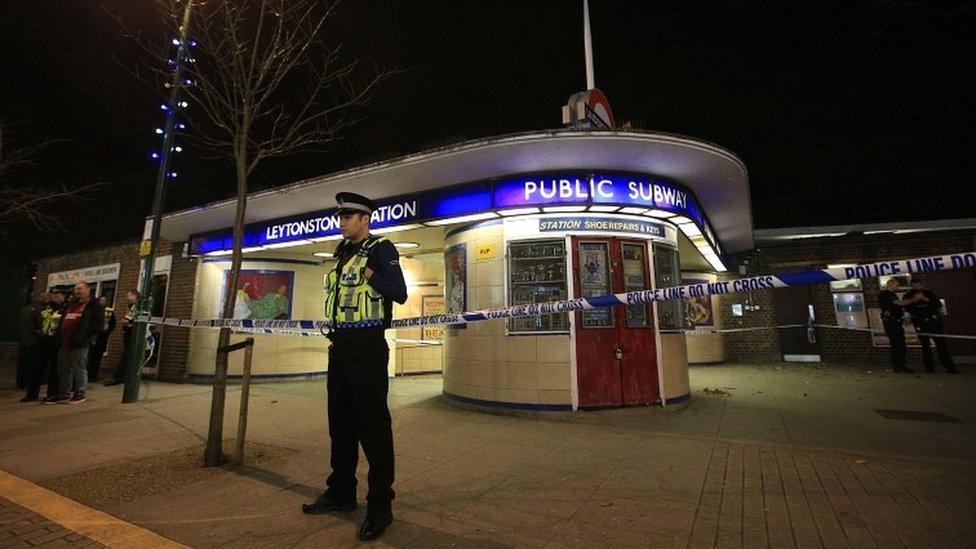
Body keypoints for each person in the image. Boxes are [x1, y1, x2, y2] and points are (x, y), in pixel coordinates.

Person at [302, 192, 407, 541]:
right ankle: (341, 492)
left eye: (348, 217)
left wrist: (371, 273)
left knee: (373, 428)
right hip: (340, 348)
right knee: (341, 425)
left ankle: (380, 506)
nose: (342, 222)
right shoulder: (341, 252)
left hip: (367, 348)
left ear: (365, 219)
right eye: (341, 216)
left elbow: (399, 292)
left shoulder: (381, 249)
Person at [43, 282, 103, 404]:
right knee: (64, 368)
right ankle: (64, 393)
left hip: (79, 343)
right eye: (75, 289)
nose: (77, 291)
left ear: (87, 290)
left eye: (80, 288)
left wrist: (84, 336)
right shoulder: (71, 304)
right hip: (65, 342)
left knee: (79, 368)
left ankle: (80, 393)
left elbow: (97, 325)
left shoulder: (94, 305)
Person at [904, 280, 958, 373]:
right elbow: (907, 307)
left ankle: (950, 368)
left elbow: (937, 304)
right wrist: (914, 300)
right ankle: (929, 368)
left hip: (934, 323)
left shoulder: (929, 293)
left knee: (941, 345)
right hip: (920, 323)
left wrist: (925, 298)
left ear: (921, 285)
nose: (916, 286)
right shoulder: (909, 295)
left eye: (918, 284)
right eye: (914, 285)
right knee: (925, 347)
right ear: (911, 286)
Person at [878, 279, 925, 373]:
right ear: (890, 284)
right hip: (891, 322)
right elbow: (900, 303)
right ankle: (899, 366)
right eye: (897, 285)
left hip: (895, 322)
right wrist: (915, 298)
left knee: (900, 344)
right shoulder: (886, 294)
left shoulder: (892, 295)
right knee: (897, 344)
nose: (898, 287)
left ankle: (900, 365)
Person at [21, 294, 60, 402]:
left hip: (56, 343)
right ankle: (32, 394)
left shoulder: (63, 310)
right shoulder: (44, 310)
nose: (55, 298)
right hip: (42, 342)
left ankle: (51, 394)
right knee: (36, 368)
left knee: (54, 370)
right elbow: (37, 322)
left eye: (58, 296)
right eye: (54, 296)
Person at [104, 290, 139, 386]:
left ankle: (119, 377)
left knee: (126, 356)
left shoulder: (136, 306)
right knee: (126, 356)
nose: (127, 298)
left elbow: (127, 320)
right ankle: (123, 376)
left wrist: (125, 322)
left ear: (134, 295)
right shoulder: (131, 306)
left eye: (128, 295)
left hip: (132, 334)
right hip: (129, 334)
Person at [87, 296, 116, 382]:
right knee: (90, 356)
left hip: (102, 337)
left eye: (104, 300)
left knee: (97, 357)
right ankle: (88, 374)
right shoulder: (93, 310)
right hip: (93, 336)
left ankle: (93, 376)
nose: (103, 302)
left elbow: (113, 323)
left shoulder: (109, 311)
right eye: (101, 300)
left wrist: (107, 333)